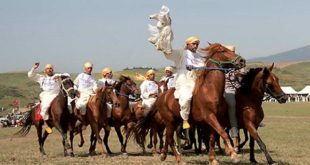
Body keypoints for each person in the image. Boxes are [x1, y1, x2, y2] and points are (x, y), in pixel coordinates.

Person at [152, 36, 205, 129]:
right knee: (186, 98)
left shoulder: (199, 56)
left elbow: (204, 67)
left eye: (197, 44)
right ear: (187, 44)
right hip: (184, 80)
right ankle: (185, 119)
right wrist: (164, 44)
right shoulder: (181, 53)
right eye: (194, 43)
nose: (196, 45)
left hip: (198, 80)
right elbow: (170, 53)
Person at [28, 62, 68, 134]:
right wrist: (34, 68)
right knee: (45, 106)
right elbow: (30, 75)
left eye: (51, 68)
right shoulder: (42, 78)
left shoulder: (57, 76)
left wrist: (60, 75)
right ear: (45, 71)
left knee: (70, 105)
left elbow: (67, 75)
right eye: (48, 69)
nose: (49, 70)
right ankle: (45, 124)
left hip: (57, 95)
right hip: (47, 95)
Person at [223, 45, 245, 151]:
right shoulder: (221, 64)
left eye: (233, 52)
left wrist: (240, 72)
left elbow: (243, 72)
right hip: (227, 89)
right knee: (232, 106)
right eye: (229, 52)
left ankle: (256, 120)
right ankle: (235, 141)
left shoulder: (238, 62)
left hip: (238, 88)